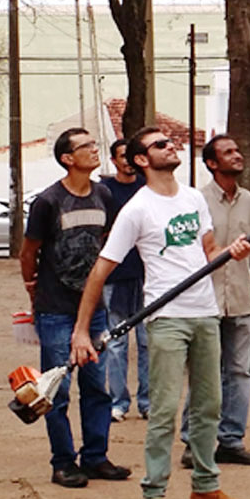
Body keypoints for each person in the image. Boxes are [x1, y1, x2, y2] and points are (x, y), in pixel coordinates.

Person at [71, 126, 250, 499]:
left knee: (209, 407)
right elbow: (101, 270)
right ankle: (153, 494)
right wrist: (82, 330)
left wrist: (232, 251)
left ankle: (205, 488)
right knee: (165, 410)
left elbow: (209, 253)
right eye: (159, 145)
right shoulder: (137, 209)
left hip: (206, 313)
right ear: (141, 160)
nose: (170, 147)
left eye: (171, 143)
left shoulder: (192, 198)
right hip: (167, 318)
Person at [21, 128, 130, 488]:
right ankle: (63, 462)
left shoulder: (103, 195)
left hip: (95, 307)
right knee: (56, 388)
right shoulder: (48, 202)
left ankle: (96, 457)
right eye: (86, 146)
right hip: (55, 308)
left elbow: (108, 239)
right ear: (68, 158)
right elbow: (29, 251)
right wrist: (33, 289)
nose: (94, 150)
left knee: (98, 385)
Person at [197, 134, 250, 465]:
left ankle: (231, 440)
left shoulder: (249, 201)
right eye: (228, 152)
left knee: (239, 371)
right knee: (205, 371)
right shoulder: (196, 201)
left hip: (240, 299)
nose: (237, 156)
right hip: (205, 301)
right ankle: (194, 441)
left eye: (237, 150)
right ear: (212, 163)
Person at [98, 138, 151, 420]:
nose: (127, 161)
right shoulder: (106, 191)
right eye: (122, 157)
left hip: (147, 276)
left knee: (147, 341)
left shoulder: (147, 189)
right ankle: (118, 402)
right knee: (117, 341)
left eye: (131, 156)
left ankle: (147, 402)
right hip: (116, 277)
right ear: (114, 160)